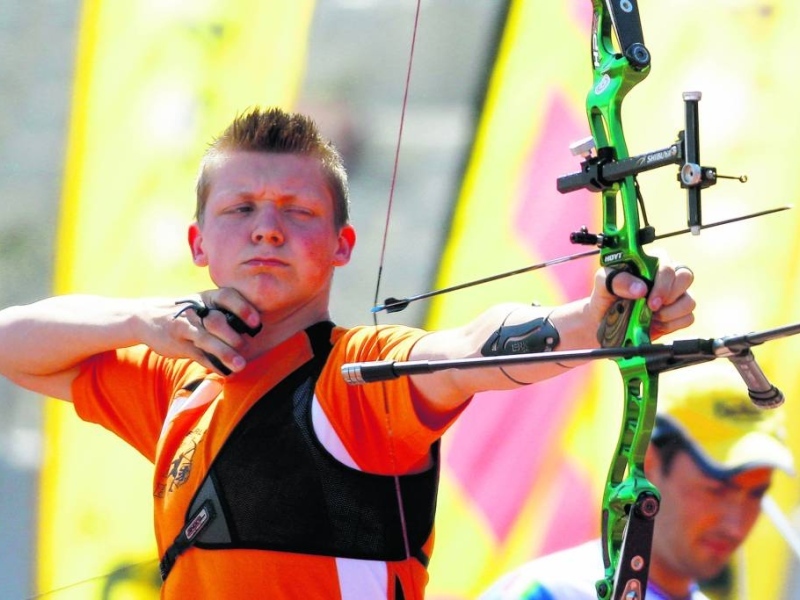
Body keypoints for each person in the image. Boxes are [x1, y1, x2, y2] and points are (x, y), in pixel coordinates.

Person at [0, 107, 696, 599]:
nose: (267, 229)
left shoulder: (354, 380)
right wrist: (140, 318)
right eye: (241, 209)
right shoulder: (179, 383)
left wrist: (589, 322)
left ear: (342, 245)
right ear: (198, 244)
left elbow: (466, 352)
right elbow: (14, 344)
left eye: (298, 211)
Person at [479, 363, 795, 600]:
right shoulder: (552, 592)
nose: (735, 525)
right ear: (650, 463)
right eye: (717, 489)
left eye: (756, 494)